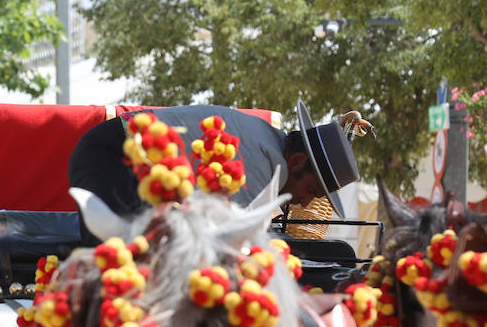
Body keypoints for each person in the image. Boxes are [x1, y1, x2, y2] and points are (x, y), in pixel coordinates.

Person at [67, 100, 362, 245]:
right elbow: (222, 240)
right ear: (297, 162)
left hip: (126, 160)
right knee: (121, 263)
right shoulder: (264, 165)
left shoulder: (268, 147)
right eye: (311, 190)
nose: (305, 203)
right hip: (111, 157)